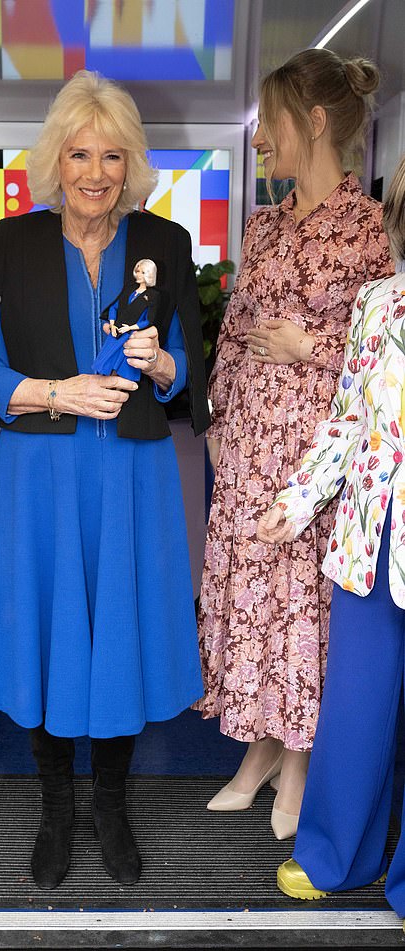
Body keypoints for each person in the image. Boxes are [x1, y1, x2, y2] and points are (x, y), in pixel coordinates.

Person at [0, 69, 209, 889]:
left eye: (112, 156)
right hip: (41, 475)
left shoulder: (164, 244)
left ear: (131, 163)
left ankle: (113, 805)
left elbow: (191, 376)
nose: (96, 173)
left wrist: (162, 361)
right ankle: (57, 808)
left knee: (119, 633)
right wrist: (57, 391)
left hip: (130, 475)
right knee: (51, 636)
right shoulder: (16, 240)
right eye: (80, 154)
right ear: (55, 160)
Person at [196, 47, 392, 839]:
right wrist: (215, 412)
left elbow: (389, 354)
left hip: (318, 456)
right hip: (246, 443)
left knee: (303, 608)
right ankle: (259, 748)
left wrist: (308, 348)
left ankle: (298, 761)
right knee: (249, 599)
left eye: (269, 121)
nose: (258, 139)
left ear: (312, 121)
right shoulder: (264, 221)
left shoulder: (372, 228)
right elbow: (236, 330)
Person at [257, 154, 405, 917]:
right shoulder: (379, 301)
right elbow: (349, 420)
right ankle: (334, 857)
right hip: (369, 541)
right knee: (356, 707)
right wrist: (299, 496)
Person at [92, 258, 159, 379]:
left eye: (142, 272)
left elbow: (148, 321)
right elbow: (114, 307)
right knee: (105, 361)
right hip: (117, 330)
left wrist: (130, 328)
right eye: (137, 271)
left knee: (124, 367)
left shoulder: (153, 295)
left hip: (131, 334)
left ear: (149, 274)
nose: (138, 274)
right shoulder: (130, 289)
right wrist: (112, 324)